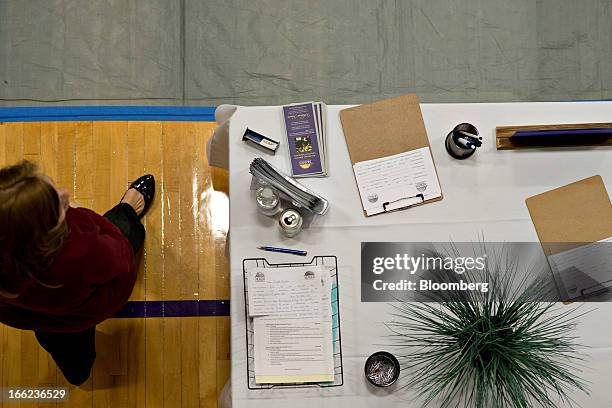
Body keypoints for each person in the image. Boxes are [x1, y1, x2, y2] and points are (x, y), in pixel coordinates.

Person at [0, 160, 155, 386]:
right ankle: (127, 212)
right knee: (126, 234)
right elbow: (120, 256)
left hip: (39, 319)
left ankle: (78, 374)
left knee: (71, 357)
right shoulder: (78, 252)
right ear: (45, 238)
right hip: (86, 307)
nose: (65, 193)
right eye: (57, 203)